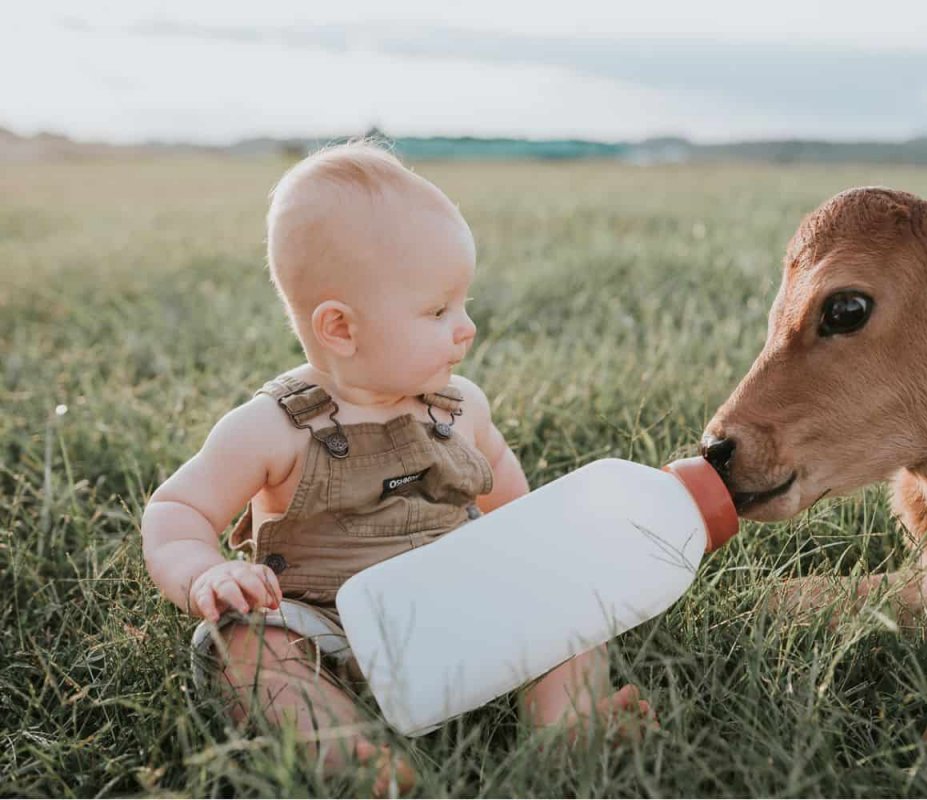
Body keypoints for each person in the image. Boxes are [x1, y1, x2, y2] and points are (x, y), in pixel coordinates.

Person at [140, 142, 655, 795]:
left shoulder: (460, 407)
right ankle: (346, 752)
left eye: (463, 304)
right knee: (237, 644)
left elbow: (507, 491)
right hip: (329, 634)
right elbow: (177, 509)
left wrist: (537, 554)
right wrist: (206, 573)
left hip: (459, 609)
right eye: (438, 311)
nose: (466, 328)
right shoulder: (274, 427)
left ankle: (569, 726)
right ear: (340, 328)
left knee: (564, 589)